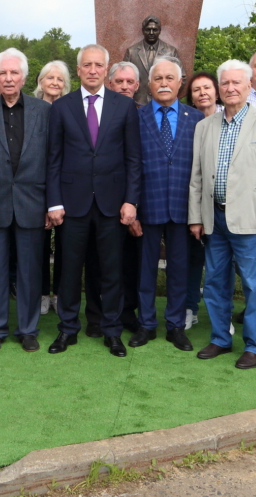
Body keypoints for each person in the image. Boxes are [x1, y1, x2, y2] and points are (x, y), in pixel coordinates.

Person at [187, 59, 256, 370]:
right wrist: (196, 217)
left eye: (236, 83)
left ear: (247, 86)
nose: (230, 88)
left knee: (255, 287)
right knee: (215, 282)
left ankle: (255, 345)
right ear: (219, 88)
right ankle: (220, 338)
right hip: (213, 218)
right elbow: (197, 176)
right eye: (225, 83)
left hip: (252, 221)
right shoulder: (205, 127)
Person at [46, 44, 142, 357]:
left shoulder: (123, 107)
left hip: (112, 205)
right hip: (72, 206)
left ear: (106, 69)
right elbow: (54, 160)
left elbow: (133, 159)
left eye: (98, 65)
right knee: (70, 272)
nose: (92, 70)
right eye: (86, 64)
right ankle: (67, 329)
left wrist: (131, 201)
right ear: (79, 69)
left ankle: (112, 331)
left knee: (111, 272)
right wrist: (54, 202)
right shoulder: (62, 108)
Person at [0, 49, 50, 353]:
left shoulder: (43, 111)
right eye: (3, 73)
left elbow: (51, 162)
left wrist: (50, 204)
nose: (9, 78)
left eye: (14, 73)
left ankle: (28, 329)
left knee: (30, 271)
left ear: (25, 77)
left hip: (32, 203)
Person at [129, 57, 199, 351]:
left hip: (184, 208)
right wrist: (131, 206)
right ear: (149, 84)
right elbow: (129, 165)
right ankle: (146, 325)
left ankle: (175, 326)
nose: (164, 83)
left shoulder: (195, 119)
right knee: (145, 269)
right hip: (147, 207)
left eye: (170, 78)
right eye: (158, 79)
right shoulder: (136, 118)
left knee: (179, 270)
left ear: (180, 83)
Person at [107, 62, 145, 334]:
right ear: (111, 84)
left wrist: (136, 205)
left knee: (135, 262)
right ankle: (109, 312)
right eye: (119, 81)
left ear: (137, 86)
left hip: (139, 202)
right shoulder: (103, 114)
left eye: (129, 82)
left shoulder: (145, 115)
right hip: (110, 203)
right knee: (111, 262)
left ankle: (131, 311)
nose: (124, 86)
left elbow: (142, 163)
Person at [184, 71, 220, 329]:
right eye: (196, 90)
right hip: (196, 203)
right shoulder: (190, 122)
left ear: (216, 91)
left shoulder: (229, 119)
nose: (202, 93)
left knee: (222, 264)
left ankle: (222, 313)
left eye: (207, 87)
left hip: (223, 204)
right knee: (194, 258)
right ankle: (190, 307)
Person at [35, 60, 71, 314]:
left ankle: (59, 292)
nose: (55, 83)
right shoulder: (32, 109)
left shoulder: (70, 109)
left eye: (60, 79)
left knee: (64, 246)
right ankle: (39, 293)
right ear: (41, 81)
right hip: (36, 188)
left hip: (64, 188)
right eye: (50, 78)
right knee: (38, 245)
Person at [125, 15, 180, 105]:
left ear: (160, 31)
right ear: (143, 30)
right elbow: (125, 77)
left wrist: (166, 94)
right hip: (137, 103)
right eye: (148, 29)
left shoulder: (171, 51)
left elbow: (181, 78)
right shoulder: (131, 52)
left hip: (164, 103)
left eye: (154, 30)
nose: (151, 32)